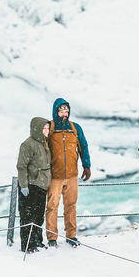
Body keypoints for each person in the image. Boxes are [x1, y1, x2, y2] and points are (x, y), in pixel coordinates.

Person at [45, 98, 91, 247]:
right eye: (61, 111)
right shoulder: (49, 127)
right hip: (54, 176)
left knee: (71, 206)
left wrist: (87, 166)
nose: (64, 114)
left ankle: (71, 236)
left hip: (72, 176)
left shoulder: (75, 127)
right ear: (55, 111)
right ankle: (52, 238)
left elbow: (83, 147)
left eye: (66, 111)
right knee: (52, 207)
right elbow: (41, 150)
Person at [15, 117, 51, 253]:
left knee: (38, 216)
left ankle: (37, 242)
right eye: (44, 128)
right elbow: (21, 166)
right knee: (27, 217)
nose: (47, 131)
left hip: (42, 184)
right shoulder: (28, 144)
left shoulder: (45, 143)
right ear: (37, 129)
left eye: (48, 128)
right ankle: (27, 245)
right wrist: (23, 185)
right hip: (30, 185)